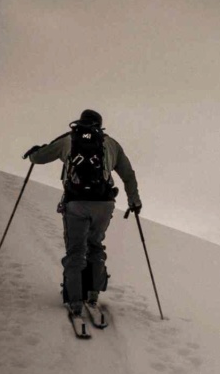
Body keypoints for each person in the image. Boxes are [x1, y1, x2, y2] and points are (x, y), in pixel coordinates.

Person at [23, 109, 141, 316]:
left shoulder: (68, 139)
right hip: (104, 204)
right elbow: (128, 174)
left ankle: (75, 298)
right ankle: (93, 292)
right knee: (94, 244)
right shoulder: (112, 144)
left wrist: (34, 153)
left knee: (76, 250)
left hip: (76, 203)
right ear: (100, 125)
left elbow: (39, 159)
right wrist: (134, 200)